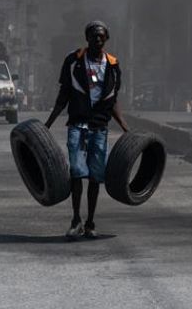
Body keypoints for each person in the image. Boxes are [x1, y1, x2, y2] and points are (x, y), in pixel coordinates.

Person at [45, 20, 129, 240]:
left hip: (99, 128)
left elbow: (112, 100)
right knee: (76, 172)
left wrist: (124, 127)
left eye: (101, 36)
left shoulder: (112, 65)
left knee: (94, 176)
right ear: (87, 38)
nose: (97, 39)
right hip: (77, 126)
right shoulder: (74, 61)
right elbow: (64, 95)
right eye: (94, 36)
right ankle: (75, 220)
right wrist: (48, 123)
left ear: (106, 39)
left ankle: (90, 221)